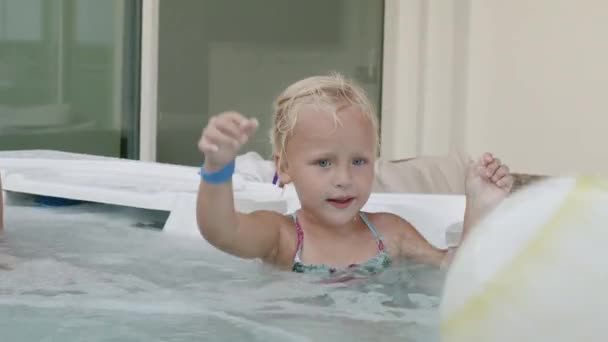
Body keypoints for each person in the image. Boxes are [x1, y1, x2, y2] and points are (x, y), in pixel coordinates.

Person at [196, 73, 513, 277]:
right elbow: (221, 231)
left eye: (359, 161)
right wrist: (217, 168)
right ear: (284, 167)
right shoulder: (282, 237)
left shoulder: (388, 233)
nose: (344, 178)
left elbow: (453, 271)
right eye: (323, 163)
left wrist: (477, 208)